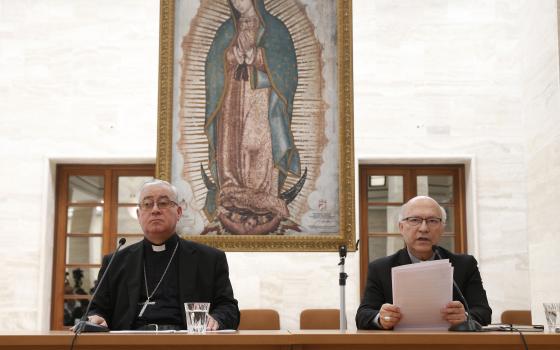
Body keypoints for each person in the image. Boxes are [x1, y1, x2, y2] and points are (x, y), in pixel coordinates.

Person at [85, 179, 240, 331]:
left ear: (178, 212)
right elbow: (96, 309)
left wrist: (217, 319)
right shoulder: (116, 262)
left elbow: (228, 307)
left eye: (163, 203)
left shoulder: (209, 259)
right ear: (139, 214)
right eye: (147, 204)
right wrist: (96, 317)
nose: (155, 210)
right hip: (130, 342)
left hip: (187, 342)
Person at [203, 0, 301, 235]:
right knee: (232, 143)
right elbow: (212, 67)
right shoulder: (227, 30)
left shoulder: (275, 29)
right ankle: (232, 187)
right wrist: (230, 57)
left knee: (256, 142)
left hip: (260, 96)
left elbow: (287, 68)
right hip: (231, 97)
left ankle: (262, 193)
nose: (237, 2)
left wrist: (257, 56)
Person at [356, 196, 492, 330]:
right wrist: (381, 318)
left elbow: (484, 313)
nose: (423, 228)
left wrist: (465, 316)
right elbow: (363, 315)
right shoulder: (380, 268)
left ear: (442, 228)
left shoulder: (465, 265)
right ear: (401, 227)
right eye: (414, 220)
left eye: (432, 221)